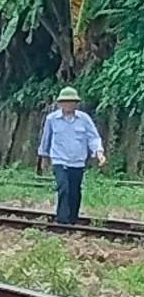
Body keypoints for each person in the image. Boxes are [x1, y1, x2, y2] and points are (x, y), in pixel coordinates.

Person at [37, 86, 106, 224]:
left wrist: (99, 152)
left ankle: (73, 219)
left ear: (76, 103)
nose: (68, 104)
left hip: (77, 161)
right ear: (60, 103)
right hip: (59, 160)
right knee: (63, 188)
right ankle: (62, 221)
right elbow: (46, 139)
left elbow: (93, 137)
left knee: (75, 191)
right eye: (65, 101)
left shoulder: (84, 119)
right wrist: (44, 158)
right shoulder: (52, 119)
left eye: (71, 102)